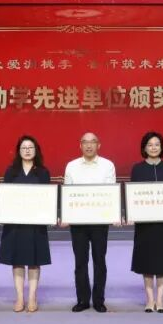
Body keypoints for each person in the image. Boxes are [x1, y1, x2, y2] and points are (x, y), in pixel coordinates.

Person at [62, 132, 117, 313]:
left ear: (98, 145)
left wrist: (113, 213)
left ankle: (99, 300)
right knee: (80, 261)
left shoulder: (108, 165)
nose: (89, 145)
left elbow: (110, 194)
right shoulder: (71, 166)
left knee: (99, 261)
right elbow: (68, 194)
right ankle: (83, 300)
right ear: (80, 145)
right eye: (85, 142)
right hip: (78, 222)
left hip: (100, 221)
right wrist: (66, 215)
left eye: (92, 142)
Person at [0, 135, 51, 313]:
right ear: (19, 151)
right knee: (17, 260)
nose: (27, 150)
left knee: (35, 261)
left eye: (30, 147)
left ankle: (32, 296)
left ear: (36, 150)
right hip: (15, 223)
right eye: (24, 148)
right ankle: (20, 297)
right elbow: (5, 196)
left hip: (36, 223)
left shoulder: (42, 172)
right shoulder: (11, 171)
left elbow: (48, 198)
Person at [130, 132, 163, 313]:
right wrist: (131, 213)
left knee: (162, 261)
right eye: (150, 144)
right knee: (146, 261)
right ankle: (149, 300)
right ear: (144, 148)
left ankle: (160, 300)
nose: (153, 147)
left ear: (161, 147)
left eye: (157, 144)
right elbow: (133, 196)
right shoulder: (137, 169)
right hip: (144, 224)